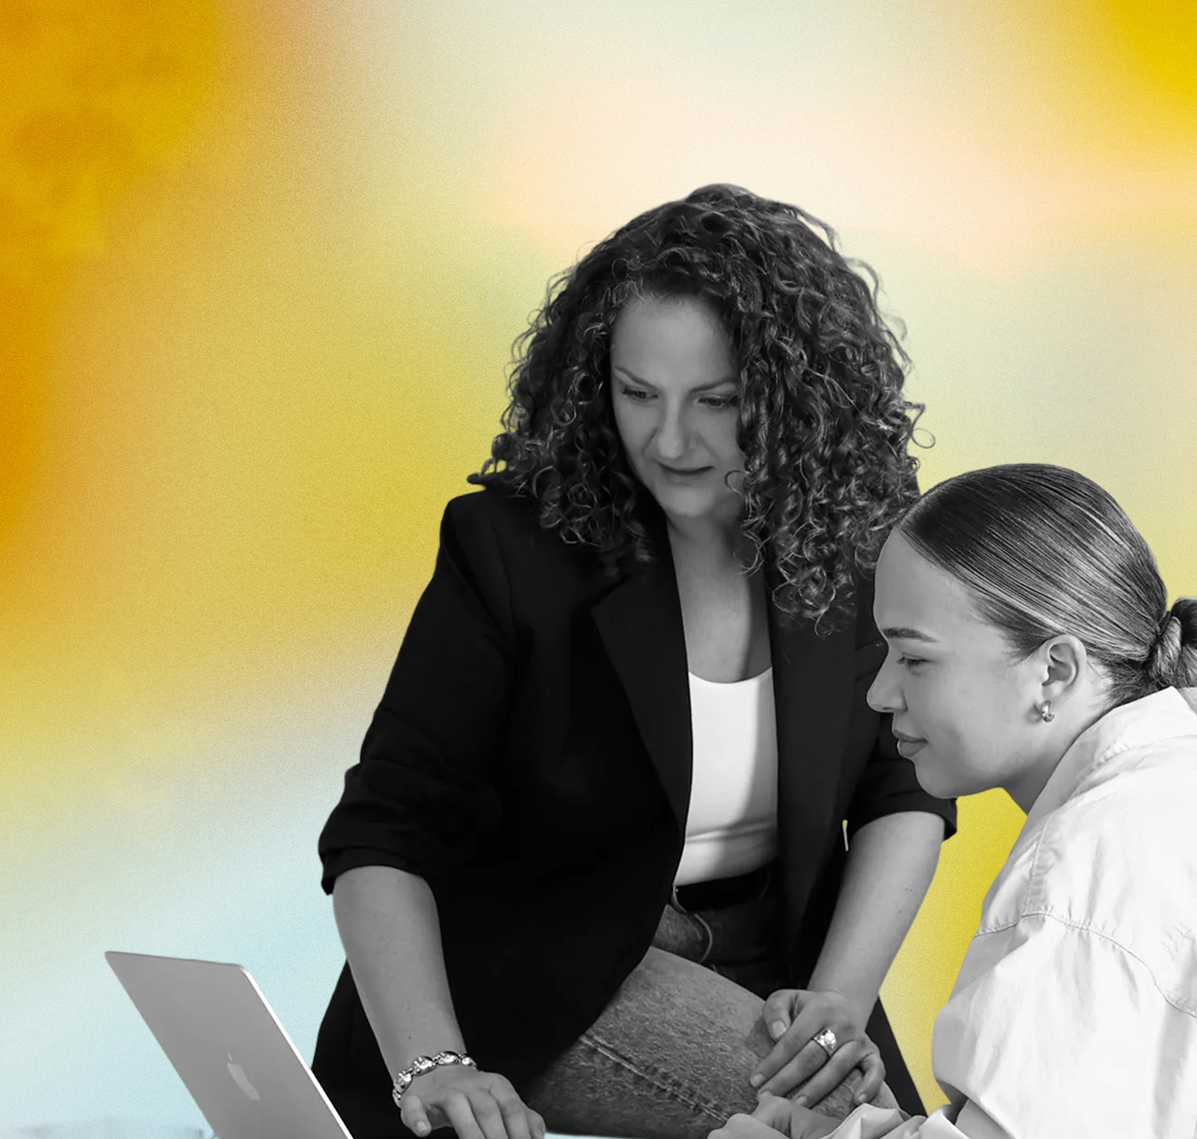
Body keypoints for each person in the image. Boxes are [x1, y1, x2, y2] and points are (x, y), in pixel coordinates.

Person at [311, 184, 957, 1139]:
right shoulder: (509, 549)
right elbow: (382, 833)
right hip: (544, 968)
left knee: (890, 1127)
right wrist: (432, 1063)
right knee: (860, 1133)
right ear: (593, 382)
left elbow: (901, 788)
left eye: (717, 401)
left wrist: (839, 1000)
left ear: (796, 402)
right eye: (637, 393)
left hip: (777, 961)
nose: (669, 440)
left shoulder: (856, 544)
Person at [711, 463, 1197, 1139]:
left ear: (1053, 671)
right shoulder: (1160, 788)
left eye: (914, 659)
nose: (879, 693)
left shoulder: (1080, 875)